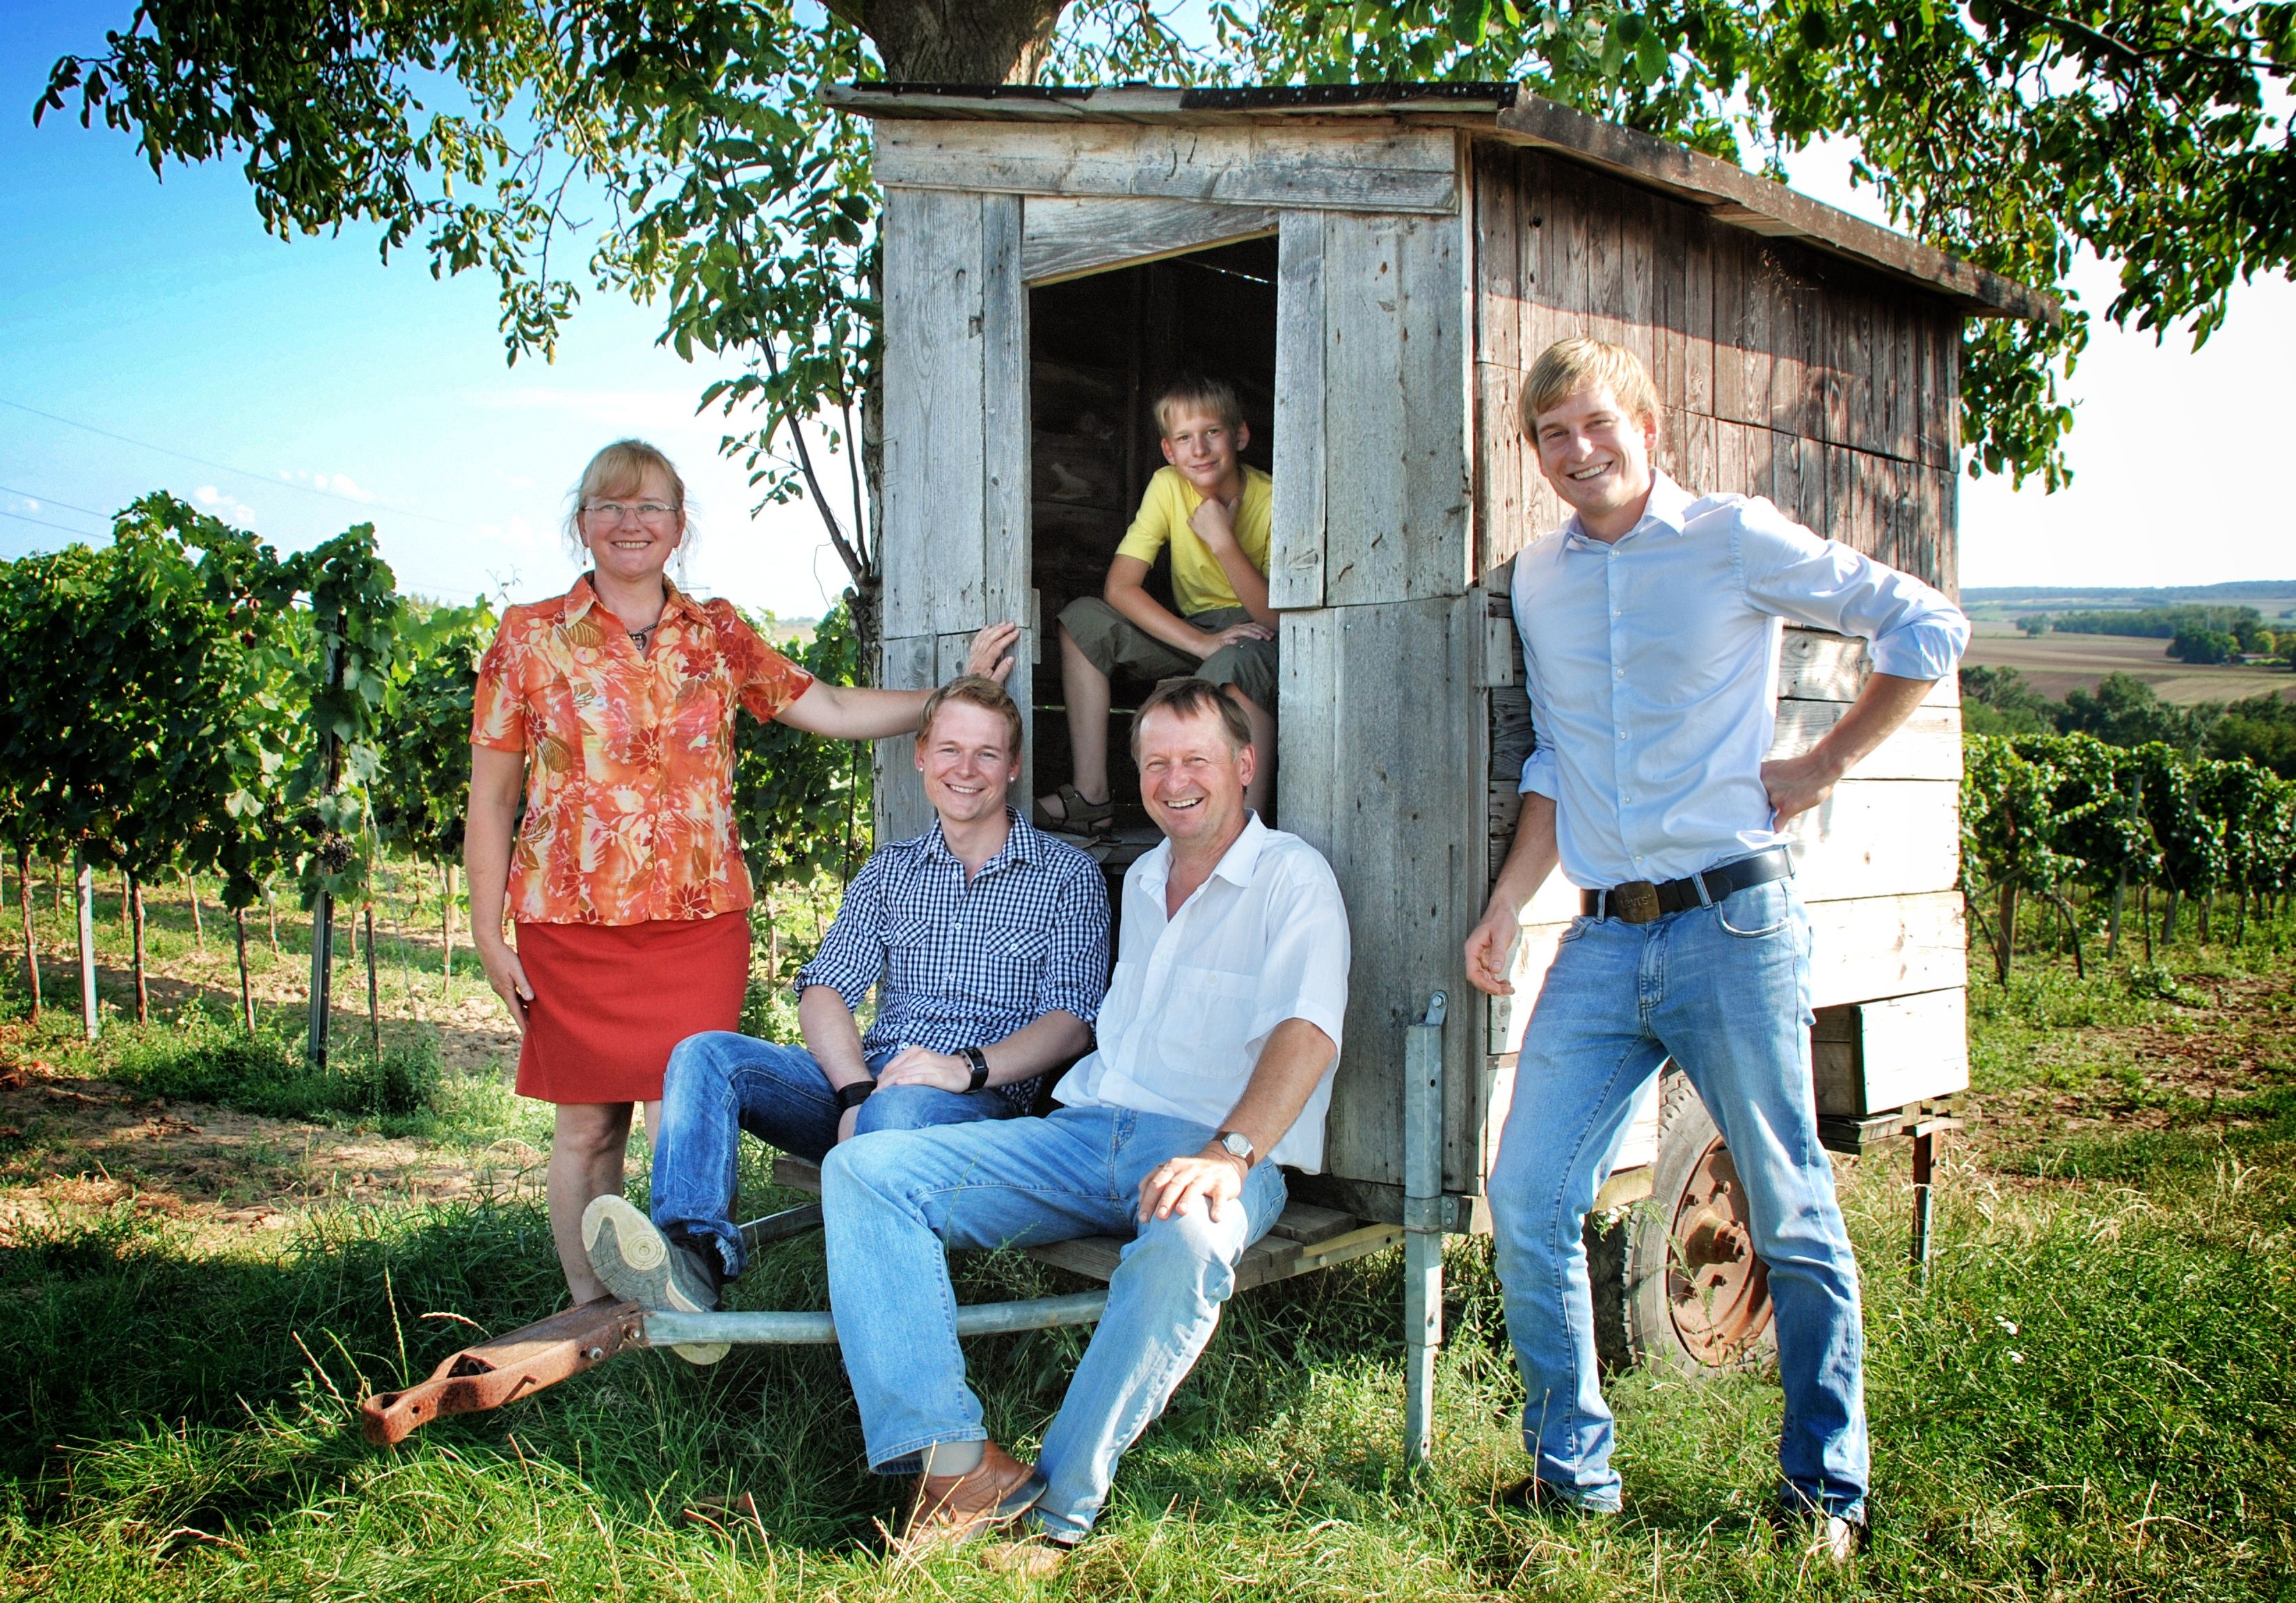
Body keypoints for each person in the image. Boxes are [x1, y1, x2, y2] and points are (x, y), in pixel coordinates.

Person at [1460, 338, 1970, 1562]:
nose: (1578, 451)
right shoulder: (1538, 577)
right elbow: (1553, 762)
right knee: (1527, 1193)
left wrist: (1823, 761)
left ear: (1647, 422)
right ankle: (1572, 1471)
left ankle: (1824, 1492)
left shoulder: (1732, 536)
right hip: (1598, 936)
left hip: (1736, 922)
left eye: (1595, 423)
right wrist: (1505, 901)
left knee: (1789, 1202)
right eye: (1551, 436)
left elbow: (1926, 622)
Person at [466, 438, 1017, 1310]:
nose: (630, 524)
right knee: (586, 1130)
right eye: (610, 507)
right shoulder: (529, 637)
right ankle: (593, 1318)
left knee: (677, 1117)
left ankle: (679, 1296)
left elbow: (828, 706)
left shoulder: (717, 634)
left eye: (650, 507)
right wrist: (486, 933)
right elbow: (493, 800)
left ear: (679, 527)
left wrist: (951, 699)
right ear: (582, 526)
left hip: (696, 923)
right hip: (569, 924)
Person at [823, 677, 1349, 1561]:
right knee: (865, 1173)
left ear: (1244, 766)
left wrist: (1229, 1155)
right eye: (1155, 763)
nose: (1174, 779)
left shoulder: (1291, 876)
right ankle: (960, 1468)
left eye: (1197, 761)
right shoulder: (1144, 877)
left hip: (1212, 1151)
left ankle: (1057, 1511)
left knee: (1185, 1245)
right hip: (1088, 1133)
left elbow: (1308, 1031)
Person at [578, 673, 1110, 1356]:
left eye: (986, 754)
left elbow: (1071, 1020)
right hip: (872, 1089)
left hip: (979, 1106)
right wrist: (855, 1089)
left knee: (896, 1115)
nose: (965, 770)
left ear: (1012, 767)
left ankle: (891, 1339)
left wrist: (963, 1069)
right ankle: (693, 1259)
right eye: (949, 750)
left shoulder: (1066, 876)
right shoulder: (892, 871)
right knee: (705, 1055)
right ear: (921, 757)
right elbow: (826, 987)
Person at [1038, 376, 1279, 828]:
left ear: (1240, 436)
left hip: (1257, 635)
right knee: (1083, 620)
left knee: (1232, 665)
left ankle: (1247, 831)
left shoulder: (1270, 499)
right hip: (1197, 634)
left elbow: (1276, 617)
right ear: (1170, 451)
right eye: (1185, 438)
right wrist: (1201, 644)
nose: (1200, 450)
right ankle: (1092, 797)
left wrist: (1223, 541)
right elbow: (1120, 588)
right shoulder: (1168, 486)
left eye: (1213, 432)